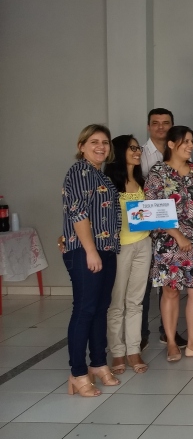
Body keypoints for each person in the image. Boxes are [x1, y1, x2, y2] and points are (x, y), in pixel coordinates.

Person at [145, 126, 193, 363]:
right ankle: (172, 343)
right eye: (185, 142)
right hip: (168, 243)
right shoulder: (158, 173)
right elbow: (151, 211)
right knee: (171, 292)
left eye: (191, 141)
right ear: (171, 144)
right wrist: (178, 236)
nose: (190, 146)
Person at [62, 124, 121, 396]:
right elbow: (78, 215)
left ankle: (98, 362)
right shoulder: (78, 172)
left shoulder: (102, 176)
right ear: (81, 145)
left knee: (100, 308)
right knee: (85, 309)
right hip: (87, 251)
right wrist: (90, 250)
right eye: (94, 141)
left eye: (105, 142)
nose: (101, 147)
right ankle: (77, 372)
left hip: (106, 249)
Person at [104, 135, 150, 375]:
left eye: (138, 148)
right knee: (117, 302)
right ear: (120, 152)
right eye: (132, 148)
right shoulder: (109, 182)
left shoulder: (142, 181)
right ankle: (117, 352)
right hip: (118, 248)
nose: (137, 152)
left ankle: (133, 349)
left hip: (143, 244)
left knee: (135, 301)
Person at [139, 108, 181, 351]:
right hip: (147, 228)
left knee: (170, 284)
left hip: (173, 231)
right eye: (156, 123)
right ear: (148, 127)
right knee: (143, 283)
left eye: (166, 123)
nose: (161, 128)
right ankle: (141, 333)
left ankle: (169, 332)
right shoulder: (139, 154)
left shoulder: (178, 152)